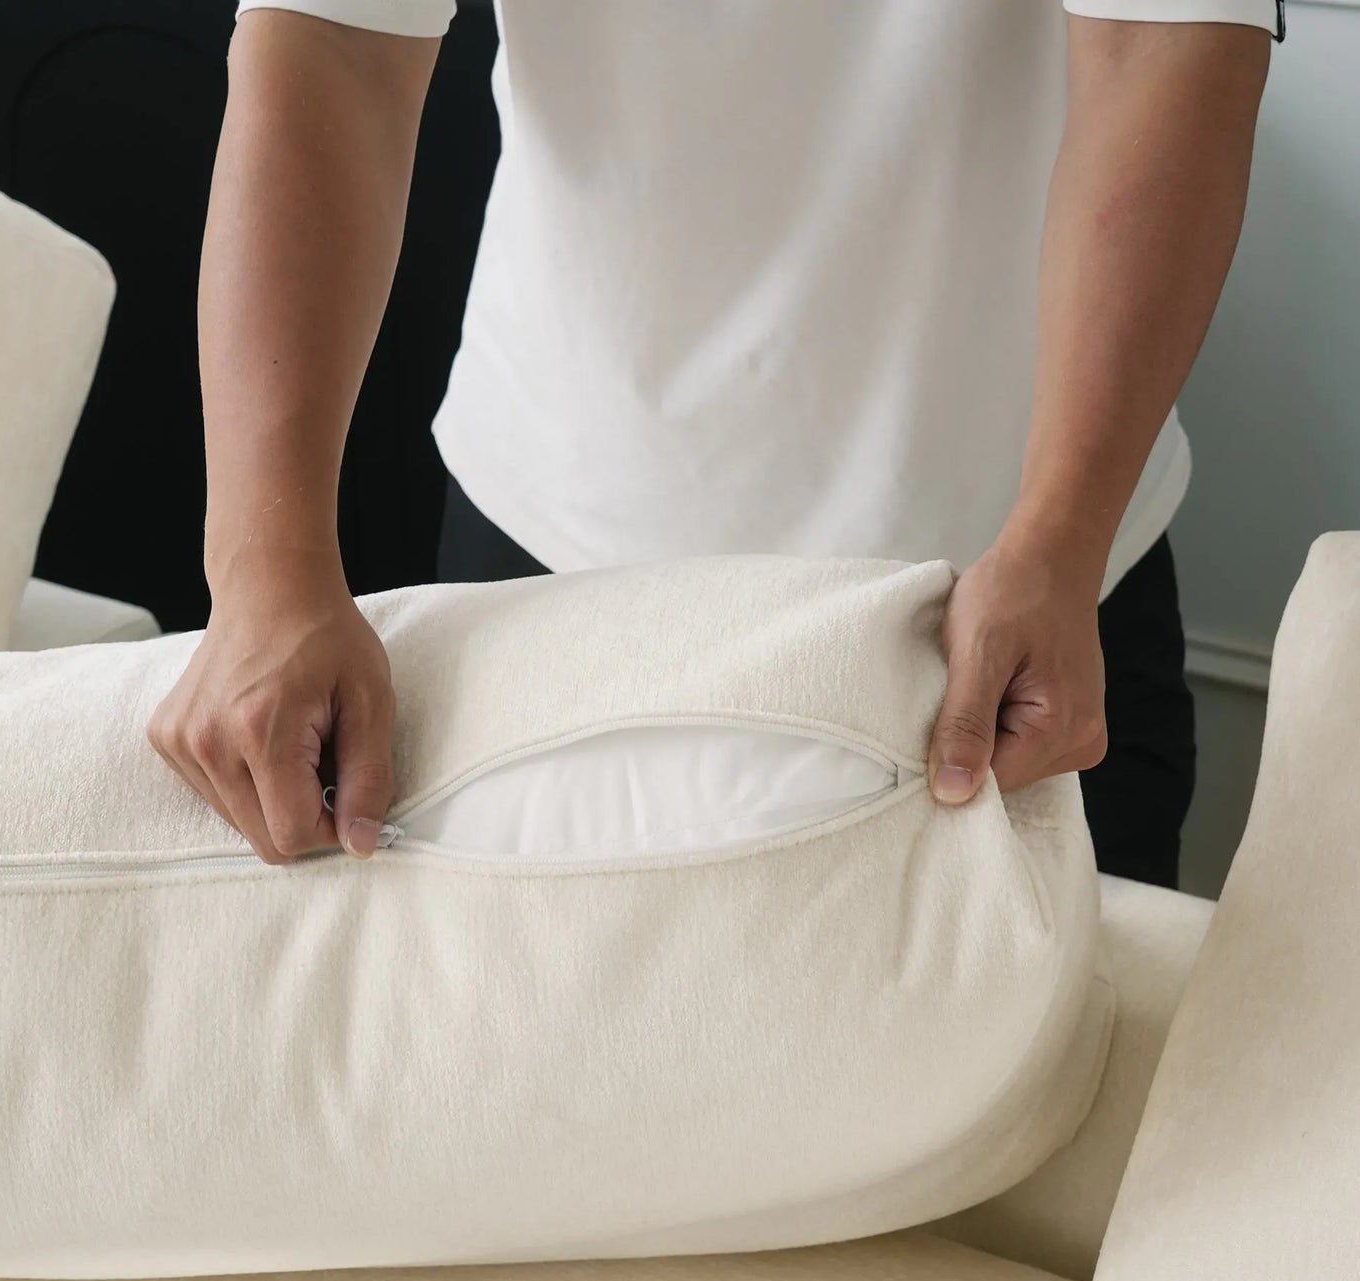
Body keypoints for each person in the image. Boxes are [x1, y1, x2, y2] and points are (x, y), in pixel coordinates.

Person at [149, 0, 1276, 888]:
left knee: (1053, 1142)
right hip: (562, 538)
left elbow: (1163, 46)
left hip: (1026, 575)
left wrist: (1062, 538)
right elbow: (332, 49)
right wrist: (264, 565)